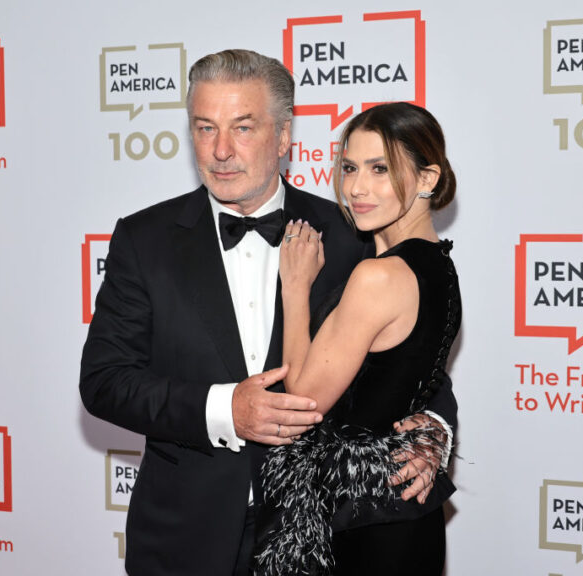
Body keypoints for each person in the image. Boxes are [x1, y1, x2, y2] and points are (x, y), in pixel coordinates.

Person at [79, 50, 456, 576]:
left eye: (243, 128)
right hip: (186, 537)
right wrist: (223, 409)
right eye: (205, 128)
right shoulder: (144, 240)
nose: (221, 151)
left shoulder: (351, 234)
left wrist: (435, 428)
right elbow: (103, 381)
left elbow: (409, 355)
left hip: (324, 537)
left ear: (283, 138)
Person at [253, 102, 460, 575]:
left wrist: (297, 288)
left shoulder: (376, 276)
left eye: (380, 169)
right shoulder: (440, 267)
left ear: (428, 179)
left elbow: (303, 399)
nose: (357, 187)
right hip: (404, 515)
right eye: (349, 167)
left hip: (361, 524)